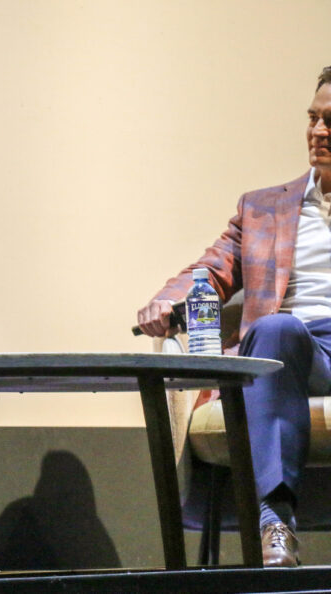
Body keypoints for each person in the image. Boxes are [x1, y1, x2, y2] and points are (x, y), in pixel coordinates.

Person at [137, 66, 331, 568]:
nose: (317, 132)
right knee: (275, 328)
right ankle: (275, 522)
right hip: (293, 348)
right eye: (313, 119)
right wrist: (167, 300)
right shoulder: (265, 208)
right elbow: (211, 271)